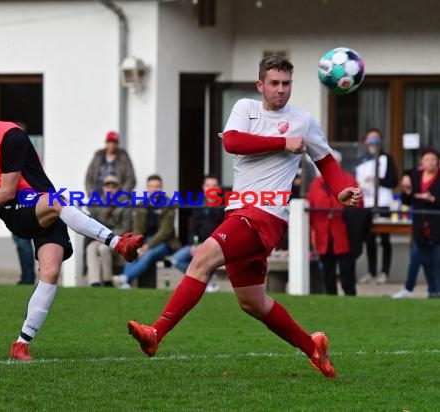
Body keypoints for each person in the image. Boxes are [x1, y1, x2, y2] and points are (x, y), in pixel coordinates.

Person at [127, 56, 361, 379]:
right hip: (239, 211)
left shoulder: (304, 121)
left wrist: (341, 191)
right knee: (253, 302)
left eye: (287, 84)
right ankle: (313, 346)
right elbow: (234, 142)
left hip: (265, 216)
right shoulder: (245, 109)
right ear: (260, 85)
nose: (281, 90)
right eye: (275, 83)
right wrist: (283, 142)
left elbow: (327, 162)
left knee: (201, 260)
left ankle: (156, 332)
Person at [0, 93, 143, 361]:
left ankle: (21, 343)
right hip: (17, 211)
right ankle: (118, 243)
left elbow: (0, 183)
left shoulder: (12, 138)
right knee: (57, 201)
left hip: (44, 210)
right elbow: (5, 192)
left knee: (50, 272)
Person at [112, 174, 181, 289]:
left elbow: (165, 232)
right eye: (152, 186)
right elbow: (137, 228)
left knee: (148, 255)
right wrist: (138, 244)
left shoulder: (169, 204)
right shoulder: (141, 205)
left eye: (157, 186)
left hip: (164, 243)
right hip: (144, 241)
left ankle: (125, 278)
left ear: (161, 188)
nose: (154, 189)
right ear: (147, 188)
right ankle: (125, 283)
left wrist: (148, 246)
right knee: (131, 251)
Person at [307, 151, 361, 296]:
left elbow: (358, 206)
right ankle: (331, 297)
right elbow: (311, 208)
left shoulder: (349, 180)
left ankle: (350, 297)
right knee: (327, 270)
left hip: (343, 233)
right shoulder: (316, 184)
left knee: (347, 270)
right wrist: (311, 232)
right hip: (323, 234)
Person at [393, 148, 440, 298]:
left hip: (437, 226)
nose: (430, 163)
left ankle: (435, 290)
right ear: (422, 162)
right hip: (420, 226)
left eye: (433, 159)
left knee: (437, 260)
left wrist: (433, 199)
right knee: (419, 259)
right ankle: (419, 289)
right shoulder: (416, 176)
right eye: (427, 160)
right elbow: (407, 200)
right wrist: (406, 191)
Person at [355, 129, 399, 284]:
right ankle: (371, 271)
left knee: (385, 239)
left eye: (376, 140)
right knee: (369, 239)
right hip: (367, 203)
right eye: (370, 140)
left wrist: (377, 179)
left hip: (383, 203)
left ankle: (384, 272)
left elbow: (393, 181)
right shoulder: (362, 161)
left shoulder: (387, 158)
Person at [169, 175, 224, 293]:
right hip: (197, 244)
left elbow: (222, 230)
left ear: (219, 188)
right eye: (208, 186)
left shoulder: (224, 206)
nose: (211, 189)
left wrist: (205, 245)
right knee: (174, 260)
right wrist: (194, 244)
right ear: (204, 187)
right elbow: (193, 227)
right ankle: (207, 282)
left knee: (203, 261)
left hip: (215, 246)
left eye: (214, 186)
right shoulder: (198, 204)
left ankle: (202, 280)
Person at [86, 174, 132, 287]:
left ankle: (107, 281)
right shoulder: (98, 201)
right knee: (90, 248)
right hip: (101, 237)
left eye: (113, 187)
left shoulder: (125, 202)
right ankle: (94, 282)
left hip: (119, 238)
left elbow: (126, 227)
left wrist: (108, 236)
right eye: (107, 186)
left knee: (103, 248)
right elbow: (93, 222)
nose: (110, 189)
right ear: (103, 188)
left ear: (118, 188)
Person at [84, 131, 136, 197]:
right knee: (91, 207)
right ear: (106, 142)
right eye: (110, 142)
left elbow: (131, 178)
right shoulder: (98, 156)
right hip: (99, 195)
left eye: (114, 142)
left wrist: (123, 194)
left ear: (117, 144)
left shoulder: (124, 157)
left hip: (119, 196)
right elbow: (89, 177)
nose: (112, 145)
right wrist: (91, 193)